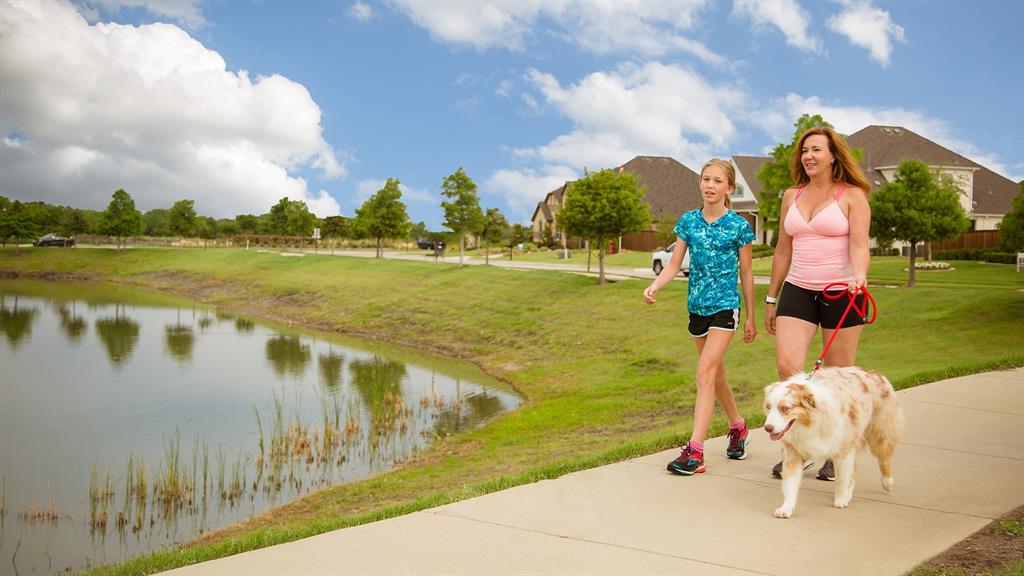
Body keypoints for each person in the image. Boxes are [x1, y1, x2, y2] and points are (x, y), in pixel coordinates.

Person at [764, 126, 872, 481]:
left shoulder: (852, 196)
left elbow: (859, 245)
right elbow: (783, 249)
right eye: (804, 151)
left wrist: (859, 276)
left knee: (837, 381)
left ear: (833, 156)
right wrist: (771, 296)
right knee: (788, 367)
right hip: (798, 288)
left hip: (842, 292)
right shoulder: (791, 195)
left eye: (816, 150)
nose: (808, 156)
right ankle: (798, 449)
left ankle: (836, 450)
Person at [644, 158, 757, 475]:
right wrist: (655, 285)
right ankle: (738, 427)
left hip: (725, 307)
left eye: (717, 181)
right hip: (697, 309)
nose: (710, 185)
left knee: (705, 373)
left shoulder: (738, 226)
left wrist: (749, 317)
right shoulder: (688, 222)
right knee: (716, 376)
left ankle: (695, 452)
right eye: (706, 179)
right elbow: (673, 264)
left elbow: (747, 273)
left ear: (729, 188)